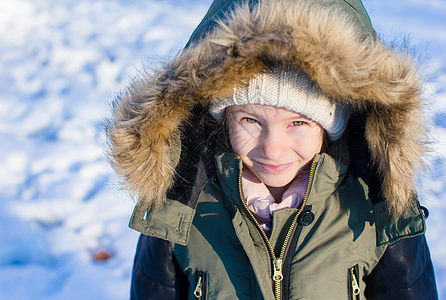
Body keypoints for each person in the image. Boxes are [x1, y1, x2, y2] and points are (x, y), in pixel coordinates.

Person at [107, 0, 438, 298]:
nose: (273, 149)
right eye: (251, 120)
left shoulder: (377, 205)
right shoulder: (179, 207)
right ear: (223, 119)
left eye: (298, 123)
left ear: (331, 126)